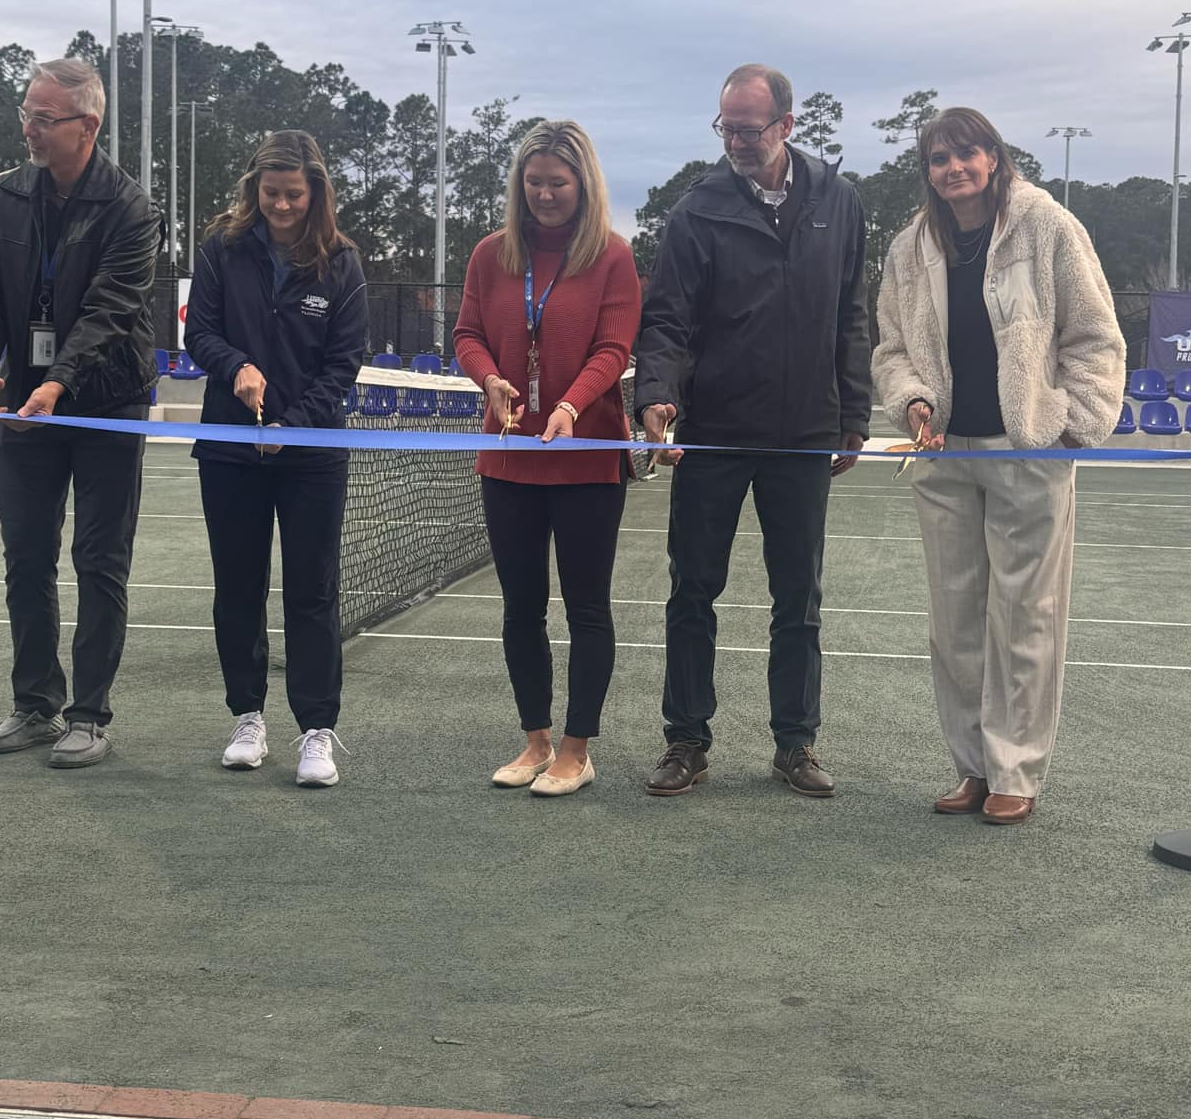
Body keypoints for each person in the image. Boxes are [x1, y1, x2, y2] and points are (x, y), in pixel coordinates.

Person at [872, 107, 1125, 823]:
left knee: (1025, 614)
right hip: (944, 451)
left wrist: (1071, 422)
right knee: (954, 619)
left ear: (993, 156)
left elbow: (1095, 336)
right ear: (927, 172)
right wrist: (912, 400)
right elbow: (892, 349)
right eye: (938, 160)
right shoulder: (908, 247)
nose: (953, 169)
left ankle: (1016, 768)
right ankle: (973, 767)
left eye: (965, 154)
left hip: (1027, 452)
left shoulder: (1048, 227)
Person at [635, 64, 871, 798]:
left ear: (787, 126)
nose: (735, 141)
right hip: (713, 434)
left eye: (749, 128)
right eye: (726, 127)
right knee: (692, 593)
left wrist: (853, 418)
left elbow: (851, 315)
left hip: (804, 434)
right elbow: (667, 319)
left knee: (799, 597)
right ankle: (686, 741)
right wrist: (656, 396)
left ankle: (796, 744)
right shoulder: (695, 211)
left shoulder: (842, 202)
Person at [0, 57, 161, 769]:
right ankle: (35, 703)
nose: (29, 129)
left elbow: (111, 311)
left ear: (88, 126)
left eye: (44, 118)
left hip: (107, 401)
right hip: (20, 403)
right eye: (26, 113)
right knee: (27, 558)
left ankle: (89, 715)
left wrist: (59, 385)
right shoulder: (5, 196)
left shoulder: (131, 208)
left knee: (100, 559)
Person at [454, 120, 641, 796]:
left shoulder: (613, 257)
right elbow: (468, 333)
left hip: (587, 458)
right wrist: (489, 380)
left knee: (587, 607)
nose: (544, 195)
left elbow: (614, 350)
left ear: (583, 183)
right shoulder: (488, 254)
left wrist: (569, 406)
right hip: (507, 461)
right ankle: (534, 741)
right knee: (520, 607)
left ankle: (576, 749)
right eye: (533, 183)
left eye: (557, 183)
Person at [184, 131, 366, 788]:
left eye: (294, 194)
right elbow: (198, 331)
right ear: (254, 190)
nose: (282, 205)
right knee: (237, 587)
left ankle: (316, 731)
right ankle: (248, 717)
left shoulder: (342, 262)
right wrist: (237, 368)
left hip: (313, 454)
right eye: (271, 194)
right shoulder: (221, 249)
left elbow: (343, 365)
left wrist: (292, 425)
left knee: (313, 591)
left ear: (315, 191)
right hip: (230, 449)